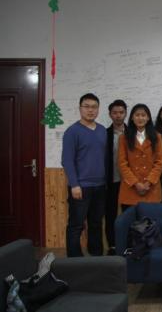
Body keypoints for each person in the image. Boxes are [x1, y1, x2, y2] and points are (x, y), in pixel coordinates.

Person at [62, 93, 106, 257]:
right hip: (80, 187)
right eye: (86, 106)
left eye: (94, 107)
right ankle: (74, 261)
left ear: (98, 109)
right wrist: (74, 184)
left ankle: (96, 257)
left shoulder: (102, 130)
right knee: (76, 225)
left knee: (96, 224)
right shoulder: (72, 131)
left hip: (100, 186)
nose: (90, 110)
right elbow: (67, 160)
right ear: (80, 109)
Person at [118, 104, 162, 210]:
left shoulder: (157, 137)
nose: (140, 118)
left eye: (143, 115)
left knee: (150, 219)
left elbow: (159, 162)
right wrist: (136, 184)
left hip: (151, 188)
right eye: (137, 115)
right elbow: (122, 163)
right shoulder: (124, 138)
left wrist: (148, 183)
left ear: (148, 118)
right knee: (130, 219)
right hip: (130, 189)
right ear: (132, 118)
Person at [104, 99, 127, 256]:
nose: (118, 115)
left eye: (121, 112)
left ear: (126, 113)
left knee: (129, 214)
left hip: (130, 182)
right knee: (110, 213)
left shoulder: (133, 132)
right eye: (115, 113)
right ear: (110, 114)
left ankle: (129, 245)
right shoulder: (104, 134)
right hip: (111, 180)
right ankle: (112, 245)